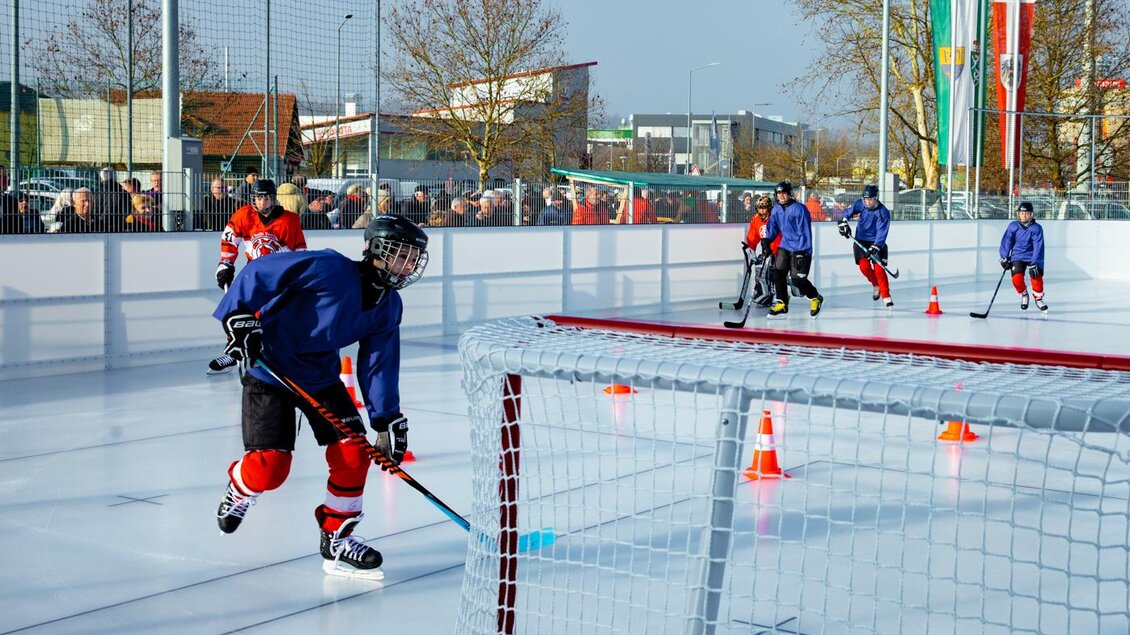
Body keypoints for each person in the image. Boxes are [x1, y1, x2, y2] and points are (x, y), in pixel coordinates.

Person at [212, 214, 429, 580]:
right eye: (402, 255)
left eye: (413, 258)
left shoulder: (389, 306)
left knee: (354, 452)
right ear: (377, 250)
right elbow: (260, 271)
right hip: (271, 369)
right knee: (270, 469)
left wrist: (385, 417)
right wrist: (239, 316)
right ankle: (240, 485)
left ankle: (337, 538)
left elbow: (378, 361)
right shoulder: (328, 267)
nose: (408, 265)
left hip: (319, 377)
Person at [209, 179, 307, 375]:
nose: (262, 203)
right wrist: (226, 263)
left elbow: (300, 250)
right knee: (234, 310)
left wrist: (298, 274)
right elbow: (229, 239)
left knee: (278, 315)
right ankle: (234, 351)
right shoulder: (244, 215)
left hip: (280, 277)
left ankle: (279, 353)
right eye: (258, 198)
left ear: (274, 199)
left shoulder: (290, 220)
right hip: (252, 275)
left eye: (266, 198)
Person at [761, 181, 823, 318]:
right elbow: (773, 227)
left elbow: (804, 231)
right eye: (778, 193)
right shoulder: (776, 209)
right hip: (785, 245)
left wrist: (802, 251)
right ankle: (782, 303)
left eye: (784, 193)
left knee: (797, 280)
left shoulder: (799, 209)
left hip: (801, 248)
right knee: (778, 273)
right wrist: (767, 240)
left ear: (789, 194)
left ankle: (815, 297)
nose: (781, 196)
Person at [837, 184, 894, 307]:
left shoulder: (883, 212)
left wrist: (876, 246)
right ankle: (875, 285)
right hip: (860, 240)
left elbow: (882, 231)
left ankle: (886, 295)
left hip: (876, 242)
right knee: (864, 267)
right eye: (866, 199)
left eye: (871, 199)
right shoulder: (860, 204)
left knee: (879, 269)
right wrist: (844, 222)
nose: (868, 202)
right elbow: (848, 213)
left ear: (876, 198)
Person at [999, 201, 1047, 312]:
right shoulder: (1013, 226)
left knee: (1036, 278)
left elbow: (1038, 246)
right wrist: (1004, 257)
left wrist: (1035, 263)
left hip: (1033, 257)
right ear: (1018, 214)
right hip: (1017, 256)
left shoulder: (1036, 228)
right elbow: (1007, 242)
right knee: (1016, 279)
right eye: (1021, 213)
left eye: (1026, 213)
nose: (1024, 215)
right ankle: (1024, 294)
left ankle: (1038, 298)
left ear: (1031, 214)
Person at [744, 195, 780, 306]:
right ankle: (764, 293)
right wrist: (751, 248)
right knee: (760, 267)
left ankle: (779, 295)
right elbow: (753, 236)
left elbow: (780, 235)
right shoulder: (756, 219)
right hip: (766, 250)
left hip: (779, 250)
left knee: (776, 272)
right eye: (760, 208)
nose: (762, 210)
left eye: (764, 208)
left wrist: (773, 249)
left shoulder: (775, 218)